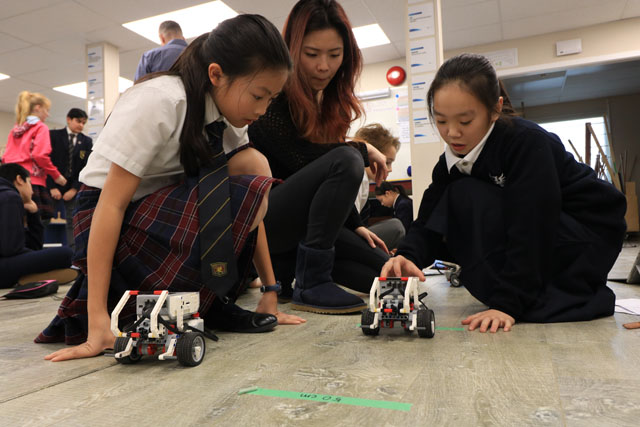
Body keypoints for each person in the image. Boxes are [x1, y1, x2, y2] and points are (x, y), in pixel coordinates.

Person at [38, 14, 305, 362]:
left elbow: (253, 205)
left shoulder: (230, 118)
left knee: (253, 165)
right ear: (216, 75)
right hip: (107, 212)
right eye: (258, 95)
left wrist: (270, 289)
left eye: (271, 98)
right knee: (243, 172)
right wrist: (99, 318)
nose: (263, 109)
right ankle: (193, 302)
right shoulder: (160, 101)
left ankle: (211, 302)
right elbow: (111, 205)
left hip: (160, 199)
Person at [382, 53, 626, 332]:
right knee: (456, 195)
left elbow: (532, 223)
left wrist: (508, 303)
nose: (452, 133)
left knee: (466, 195)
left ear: (495, 109)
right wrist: (408, 256)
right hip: (546, 232)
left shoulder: (525, 142)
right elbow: (429, 216)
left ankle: (533, 294)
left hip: (585, 232)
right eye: (441, 121)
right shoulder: (450, 162)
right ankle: (516, 290)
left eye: (465, 121)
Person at [249, 0, 390, 314]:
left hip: (302, 230)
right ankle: (311, 283)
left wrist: (354, 224)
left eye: (334, 55)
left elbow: (322, 177)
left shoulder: (330, 103)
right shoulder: (273, 96)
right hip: (262, 225)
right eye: (311, 54)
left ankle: (296, 276)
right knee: (348, 158)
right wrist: (363, 149)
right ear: (292, 50)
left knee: (385, 271)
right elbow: (302, 161)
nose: (324, 66)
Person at [0, 163, 76, 289]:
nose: (32, 191)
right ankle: (33, 275)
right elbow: (11, 249)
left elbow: (30, 248)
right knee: (66, 254)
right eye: (29, 183)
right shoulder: (10, 197)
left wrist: (33, 215)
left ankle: (32, 276)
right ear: (19, 180)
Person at [3, 91, 67, 221]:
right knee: (36, 226)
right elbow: (40, 155)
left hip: (12, 182)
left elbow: (5, 158)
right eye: (46, 110)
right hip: (32, 182)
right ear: (38, 107)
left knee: (14, 223)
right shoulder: (40, 127)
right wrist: (56, 175)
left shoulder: (15, 130)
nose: (47, 114)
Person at [352, 123, 405, 250]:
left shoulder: (362, 177)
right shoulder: (360, 176)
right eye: (387, 162)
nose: (390, 169)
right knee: (396, 227)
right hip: (345, 240)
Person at [47, 108, 93, 247]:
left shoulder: (86, 141)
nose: (81, 125)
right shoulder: (53, 135)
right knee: (44, 218)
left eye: (83, 123)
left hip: (73, 187)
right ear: (68, 119)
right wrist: (52, 187)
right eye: (78, 121)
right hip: (52, 185)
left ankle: (72, 254)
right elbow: (46, 162)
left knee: (72, 221)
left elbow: (84, 167)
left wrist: (74, 189)